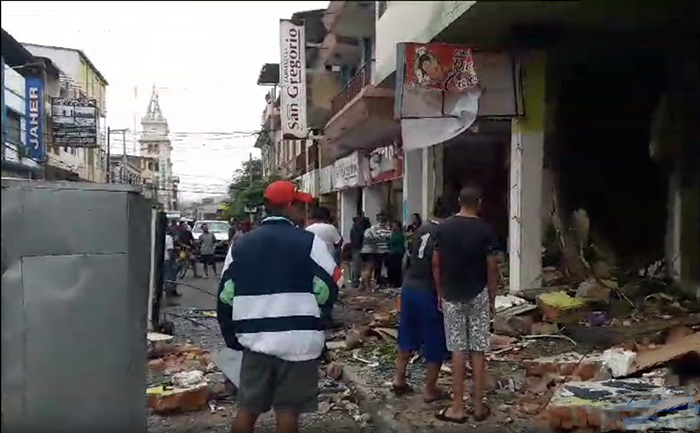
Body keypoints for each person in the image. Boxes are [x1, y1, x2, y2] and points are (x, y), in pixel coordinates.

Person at [218, 180, 340, 433]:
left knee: (248, 408)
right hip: (297, 340)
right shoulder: (309, 242)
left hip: (255, 339)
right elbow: (330, 287)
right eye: (300, 205)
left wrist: (232, 337)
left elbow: (225, 296)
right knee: (287, 412)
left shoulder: (240, 245)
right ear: (289, 206)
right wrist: (319, 318)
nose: (304, 211)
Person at [433, 186, 499, 423]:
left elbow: (436, 264)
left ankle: (457, 407)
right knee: (478, 350)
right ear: (479, 202)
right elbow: (492, 267)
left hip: (451, 295)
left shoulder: (444, 228)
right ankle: (479, 407)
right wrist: (492, 298)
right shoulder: (485, 229)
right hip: (478, 293)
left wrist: (440, 292)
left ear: (459, 201)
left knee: (458, 350)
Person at [392, 198, 452, 403]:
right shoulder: (444, 232)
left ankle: (399, 378)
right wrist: (442, 292)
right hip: (428, 290)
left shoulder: (421, 229)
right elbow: (438, 265)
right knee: (435, 338)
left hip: (409, 287)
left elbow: (407, 259)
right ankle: (430, 389)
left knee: (407, 332)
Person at [363, 213, 392, 288]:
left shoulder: (388, 228)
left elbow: (389, 237)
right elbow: (375, 239)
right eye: (379, 218)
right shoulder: (373, 229)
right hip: (376, 251)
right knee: (375, 268)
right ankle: (373, 283)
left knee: (380, 268)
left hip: (383, 251)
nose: (381, 220)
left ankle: (374, 283)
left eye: (382, 218)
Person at [386, 221, 406, 288]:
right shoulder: (392, 234)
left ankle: (397, 283)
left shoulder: (400, 235)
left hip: (398, 254)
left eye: (395, 226)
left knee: (397, 269)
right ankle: (391, 282)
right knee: (391, 269)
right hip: (391, 254)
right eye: (393, 226)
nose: (394, 227)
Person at [349, 216, 366, 288]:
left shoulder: (355, 228)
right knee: (357, 266)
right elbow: (357, 240)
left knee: (357, 266)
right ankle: (355, 281)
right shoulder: (357, 229)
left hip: (356, 248)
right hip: (357, 248)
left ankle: (355, 281)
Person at [163, 232, 180, 297]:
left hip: (160, 260)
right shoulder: (168, 238)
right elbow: (170, 251)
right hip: (167, 260)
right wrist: (173, 262)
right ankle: (169, 297)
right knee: (169, 279)